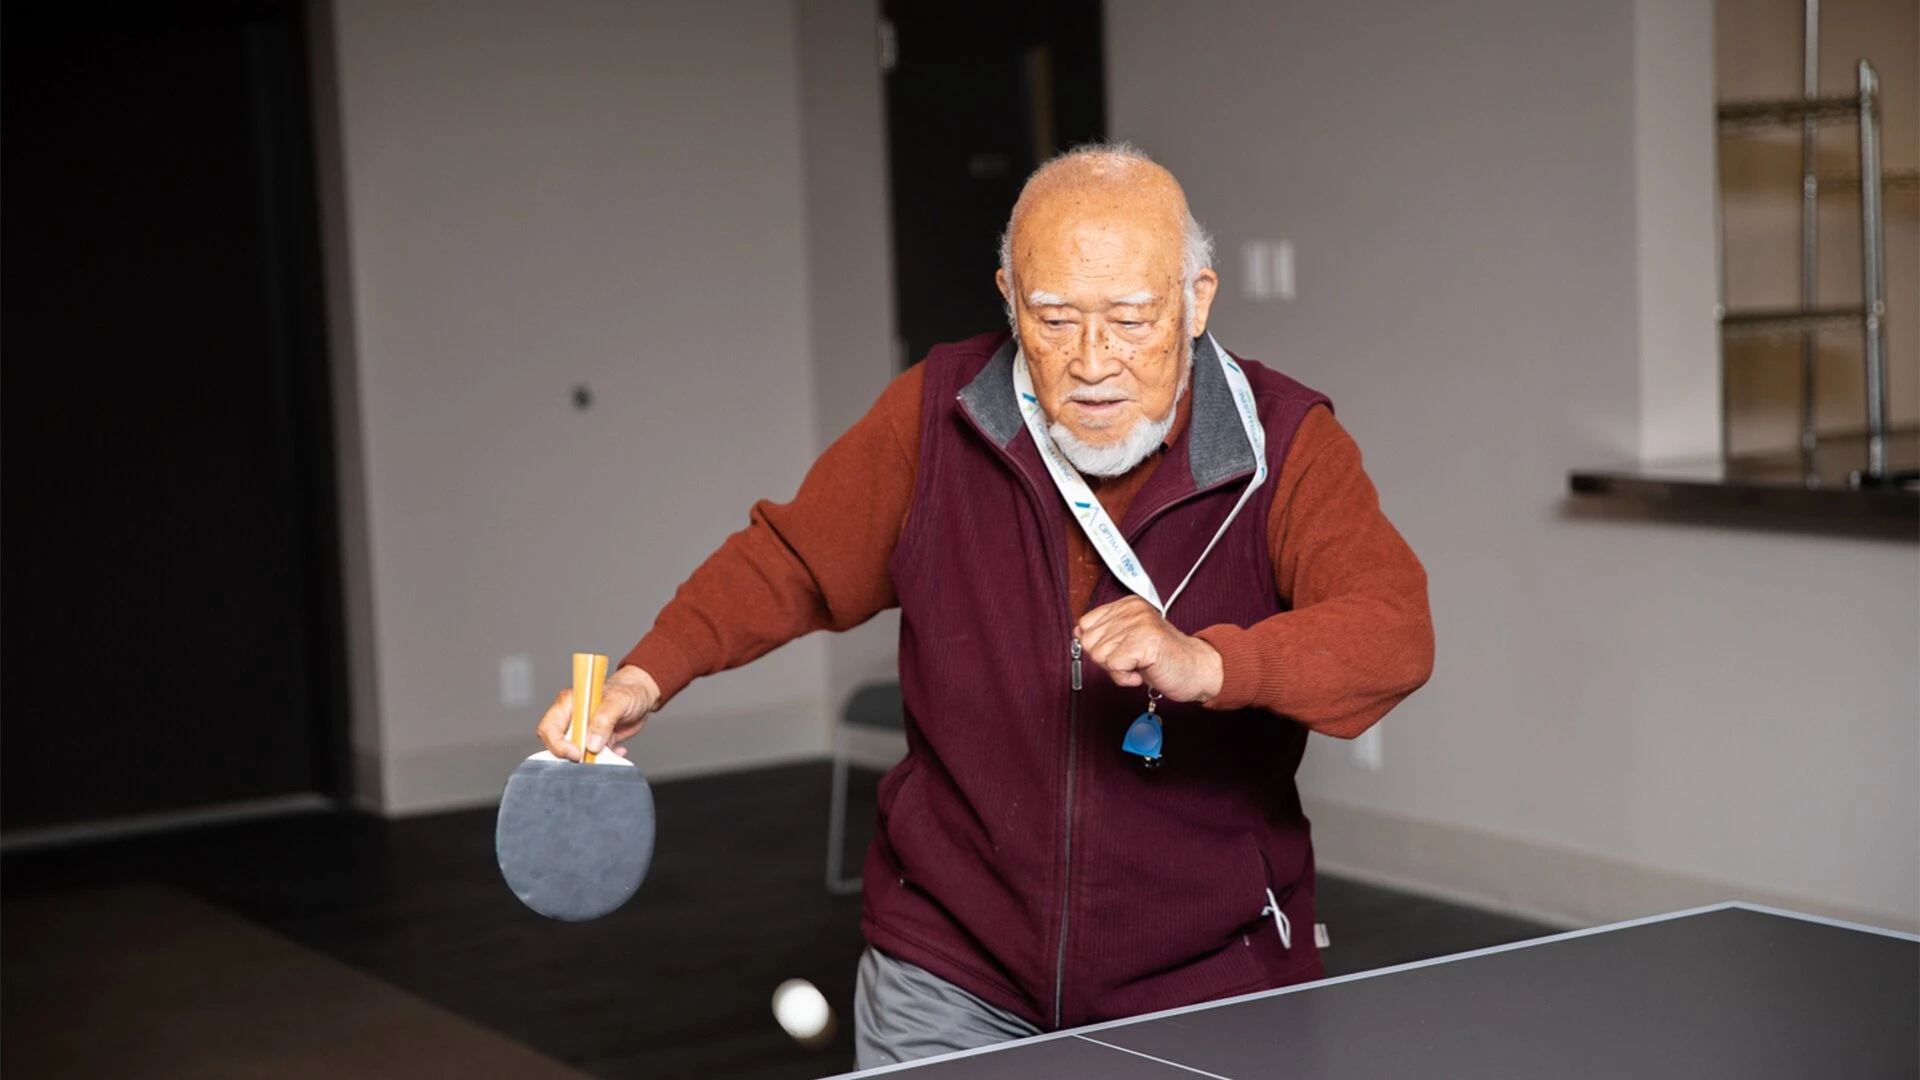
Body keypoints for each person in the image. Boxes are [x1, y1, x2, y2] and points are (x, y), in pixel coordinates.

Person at [536, 143, 1434, 1067]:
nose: (1092, 362)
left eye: (1131, 319)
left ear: (1197, 301)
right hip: (949, 967)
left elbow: (1394, 632)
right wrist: (646, 676)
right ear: (1008, 297)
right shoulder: (936, 413)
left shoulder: (1287, 445)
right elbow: (792, 560)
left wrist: (1211, 662)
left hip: (1209, 979)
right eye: (1052, 319)